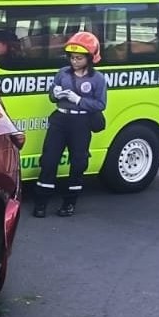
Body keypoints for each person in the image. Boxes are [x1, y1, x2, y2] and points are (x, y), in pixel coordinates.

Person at [33, 31, 107, 218]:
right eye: (72, 57)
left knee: (78, 163)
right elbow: (51, 95)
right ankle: (41, 203)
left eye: (79, 58)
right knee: (49, 161)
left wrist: (79, 100)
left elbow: (100, 104)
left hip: (81, 122)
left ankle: (69, 204)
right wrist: (55, 93)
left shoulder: (98, 79)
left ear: (90, 58)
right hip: (60, 119)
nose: (74, 61)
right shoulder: (62, 73)